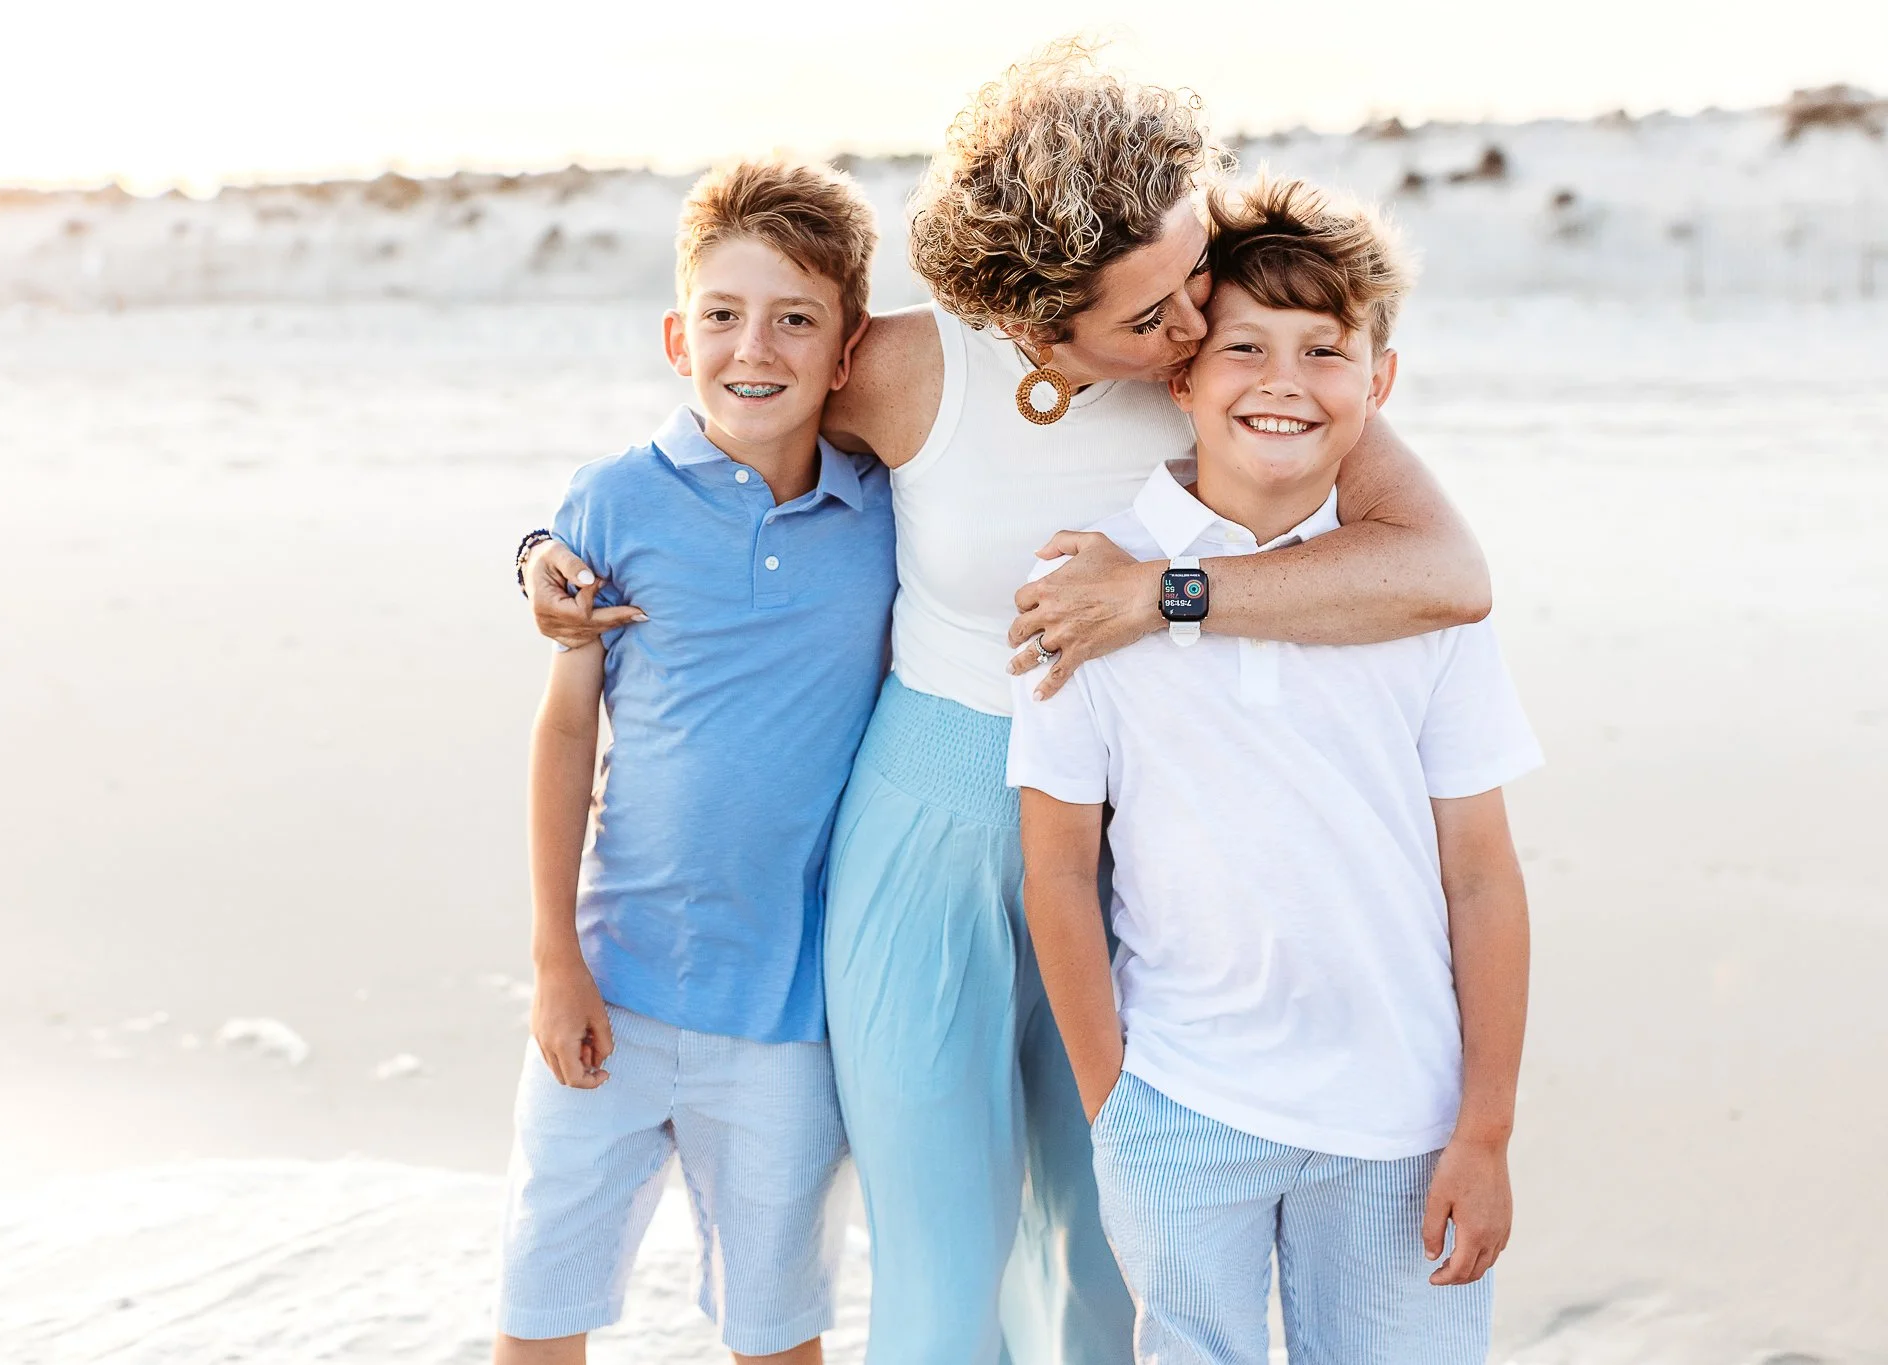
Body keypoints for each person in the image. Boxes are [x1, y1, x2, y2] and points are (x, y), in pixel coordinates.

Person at [519, 45, 1491, 1365]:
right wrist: (543, 551)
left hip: (1125, 834)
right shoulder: (915, 372)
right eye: (1145, 317)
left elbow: (1444, 570)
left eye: (1190, 269)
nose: (1193, 328)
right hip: (921, 817)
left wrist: (1165, 594)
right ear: (1038, 323)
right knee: (943, 1247)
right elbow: (724, 415)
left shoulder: (1223, 369)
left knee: (1099, 1235)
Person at [1010, 174, 1540, 1365]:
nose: (1283, 382)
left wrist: (1485, 1130)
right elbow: (1054, 871)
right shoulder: (1087, 595)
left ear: (1378, 383)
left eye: (1324, 351)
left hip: (1402, 1119)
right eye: (1243, 345)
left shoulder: (1420, 602)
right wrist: (1117, 1110)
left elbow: (1482, 878)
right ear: (1181, 373)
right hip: (1184, 1106)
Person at [494, 158, 894, 1365]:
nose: (751, 347)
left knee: (772, 1332)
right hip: (610, 987)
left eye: (793, 318)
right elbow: (568, 728)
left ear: (846, 349)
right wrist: (554, 956)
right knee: (538, 1307)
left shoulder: (886, 510)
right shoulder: (614, 501)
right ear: (678, 335)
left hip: (786, 1017)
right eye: (721, 314)